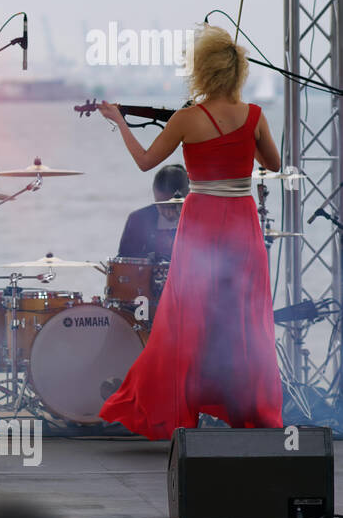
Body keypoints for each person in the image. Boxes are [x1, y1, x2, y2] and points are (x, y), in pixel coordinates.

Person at [97, 25, 283, 438]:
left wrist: (120, 122)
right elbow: (272, 164)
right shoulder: (255, 115)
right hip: (242, 223)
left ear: (202, 71)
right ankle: (248, 410)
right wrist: (242, 142)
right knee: (244, 316)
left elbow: (146, 162)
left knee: (187, 317)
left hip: (200, 224)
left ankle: (178, 410)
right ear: (237, 72)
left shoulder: (186, 119)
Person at [117, 164, 189, 261]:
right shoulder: (138, 220)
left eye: (173, 207)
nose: (168, 213)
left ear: (187, 195)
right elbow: (124, 260)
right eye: (161, 206)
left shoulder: (200, 221)